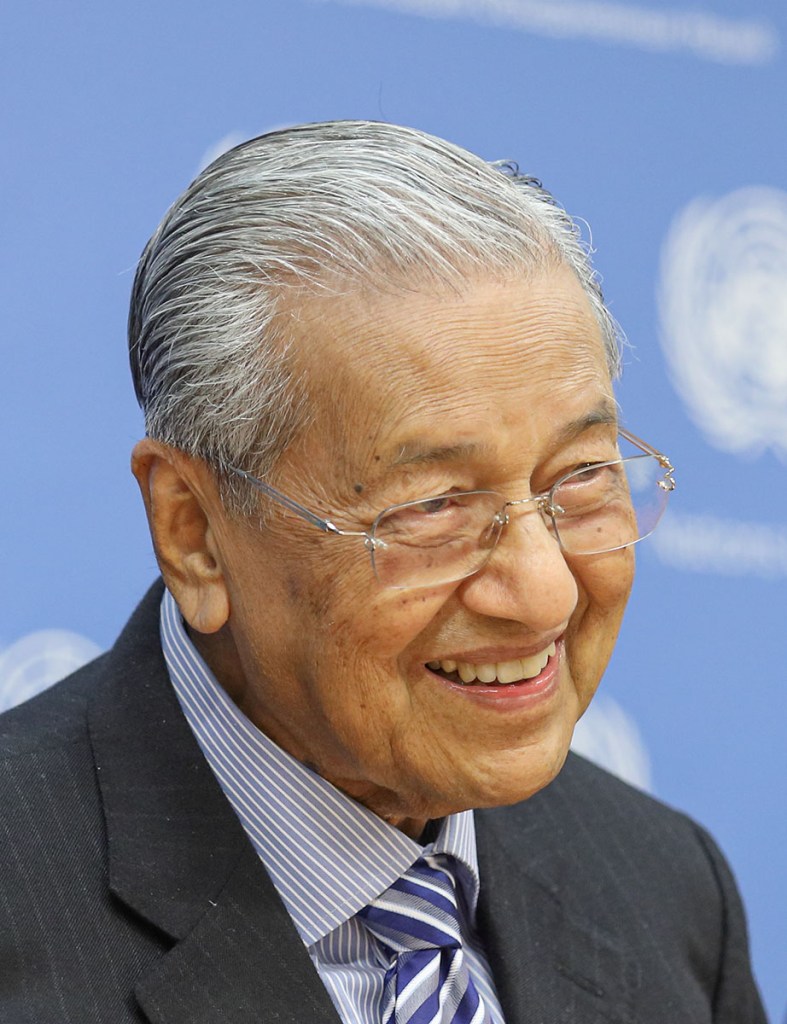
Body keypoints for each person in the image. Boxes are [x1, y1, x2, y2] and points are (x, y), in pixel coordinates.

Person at [0, 121, 766, 1023]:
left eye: (580, 476)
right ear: (194, 531)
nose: (544, 593)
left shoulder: (665, 890)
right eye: (433, 506)